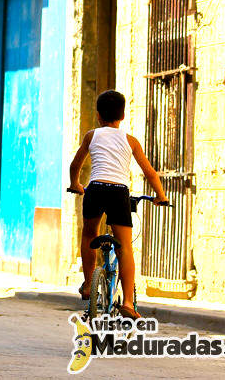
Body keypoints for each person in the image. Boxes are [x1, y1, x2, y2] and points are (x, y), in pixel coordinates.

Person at [67, 90, 168, 319]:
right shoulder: (130, 141)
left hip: (96, 189)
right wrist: (160, 195)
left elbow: (75, 165)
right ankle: (129, 304)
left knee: (89, 235)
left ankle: (87, 283)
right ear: (122, 115)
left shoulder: (91, 136)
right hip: (118, 193)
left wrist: (76, 185)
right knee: (125, 247)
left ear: (98, 115)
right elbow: (150, 173)